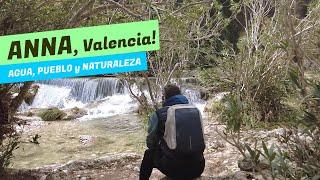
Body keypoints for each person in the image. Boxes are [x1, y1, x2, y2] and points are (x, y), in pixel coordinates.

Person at [139, 84, 205, 180]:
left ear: (165, 97)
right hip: (198, 167)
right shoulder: (195, 110)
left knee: (149, 153)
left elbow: (150, 142)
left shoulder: (159, 114)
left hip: (174, 170)